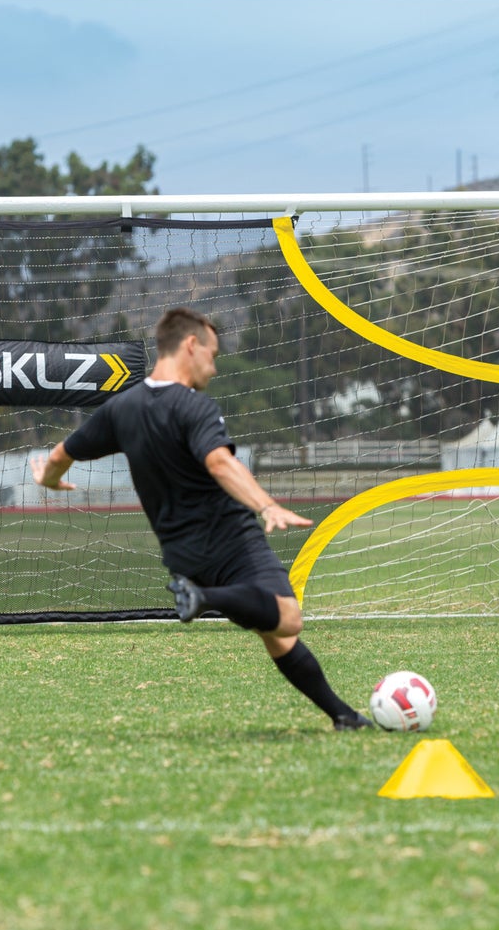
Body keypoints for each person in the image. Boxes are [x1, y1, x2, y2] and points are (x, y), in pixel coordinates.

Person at [31, 306, 374, 730]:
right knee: (288, 618)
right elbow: (219, 462)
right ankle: (205, 599)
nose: (213, 367)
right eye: (212, 355)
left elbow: (61, 454)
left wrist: (49, 480)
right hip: (231, 539)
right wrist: (266, 505)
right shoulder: (194, 407)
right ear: (191, 345)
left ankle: (344, 716)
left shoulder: (121, 409)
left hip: (182, 555)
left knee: (277, 636)